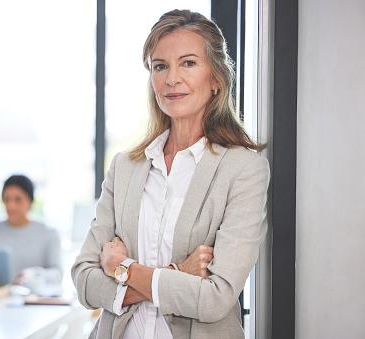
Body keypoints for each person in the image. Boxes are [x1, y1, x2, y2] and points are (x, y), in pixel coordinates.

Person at [71, 9, 270, 339]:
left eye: (188, 63)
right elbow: (83, 281)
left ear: (216, 79)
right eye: (160, 66)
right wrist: (178, 273)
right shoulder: (125, 166)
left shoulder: (243, 169)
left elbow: (215, 298)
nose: (171, 79)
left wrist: (121, 268)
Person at [0, 174, 63, 291]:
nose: (11, 206)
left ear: (30, 201)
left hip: (33, 303)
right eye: (6, 199)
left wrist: (34, 274)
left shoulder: (49, 233)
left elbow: (57, 274)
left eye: (18, 199)